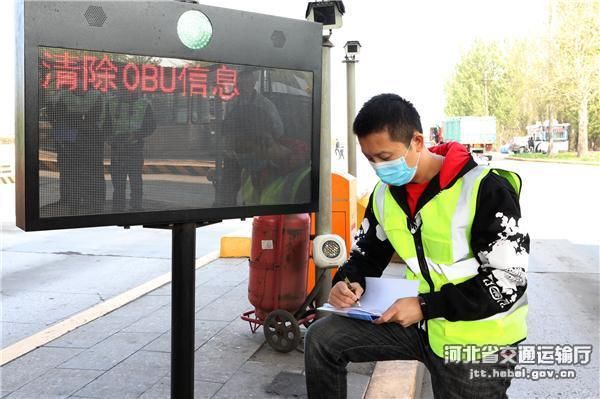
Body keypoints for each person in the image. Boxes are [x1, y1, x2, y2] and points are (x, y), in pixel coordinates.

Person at [304, 94, 529, 399]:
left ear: (418, 141)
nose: (378, 167)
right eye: (370, 158)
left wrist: (425, 307)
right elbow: (366, 254)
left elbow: (507, 283)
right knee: (322, 338)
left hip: (476, 338)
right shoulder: (385, 196)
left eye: (385, 157)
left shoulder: (485, 189)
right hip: (419, 325)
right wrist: (347, 282)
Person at [214, 69, 285, 206]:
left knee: (257, 191)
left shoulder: (265, 104)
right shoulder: (231, 104)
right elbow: (227, 129)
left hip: (257, 154)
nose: (242, 85)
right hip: (235, 153)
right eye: (239, 82)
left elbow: (279, 129)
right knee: (227, 189)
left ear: (253, 83)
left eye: (246, 81)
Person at [48, 85, 107, 214]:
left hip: (85, 141)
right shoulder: (62, 97)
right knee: (73, 172)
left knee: (83, 173)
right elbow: (53, 116)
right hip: (73, 142)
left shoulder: (95, 97)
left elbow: (54, 117)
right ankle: (74, 201)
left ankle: (84, 203)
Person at [108, 89, 156, 211]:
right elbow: (105, 124)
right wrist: (111, 139)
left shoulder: (143, 105)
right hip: (118, 148)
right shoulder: (111, 104)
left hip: (135, 148)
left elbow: (151, 126)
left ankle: (136, 206)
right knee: (118, 182)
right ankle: (118, 208)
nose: (125, 93)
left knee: (135, 179)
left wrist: (137, 135)